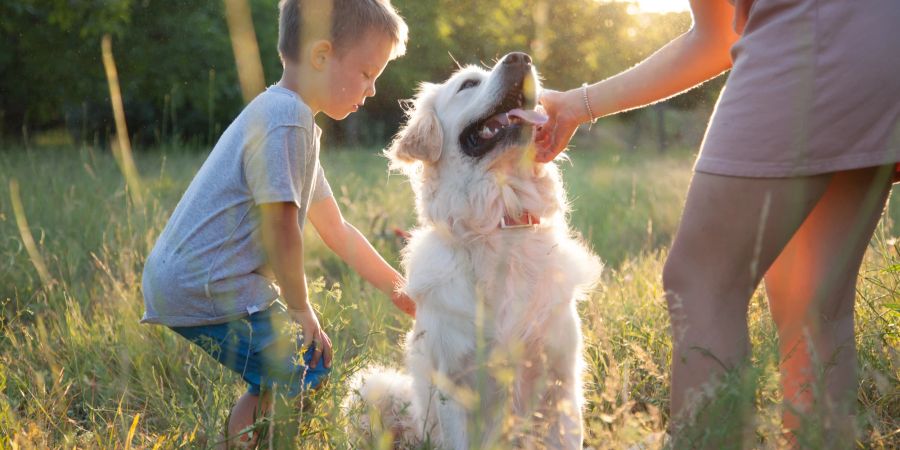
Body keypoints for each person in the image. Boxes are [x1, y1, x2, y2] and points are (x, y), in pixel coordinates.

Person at [535, 0, 900, 446]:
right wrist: (579, 105)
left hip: (807, 35)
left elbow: (712, 36)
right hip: (884, 41)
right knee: (813, 301)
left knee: (700, 283)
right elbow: (719, 37)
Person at [140, 0, 415, 446]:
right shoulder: (285, 120)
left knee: (293, 366)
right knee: (306, 364)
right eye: (367, 74)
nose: (372, 90)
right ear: (321, 55)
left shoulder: (292, 121)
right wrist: (300, 307)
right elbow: (281, 227)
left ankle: (240, 440)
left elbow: (337, 230)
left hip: (195, 277)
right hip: (203, 280)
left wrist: (400, 290)